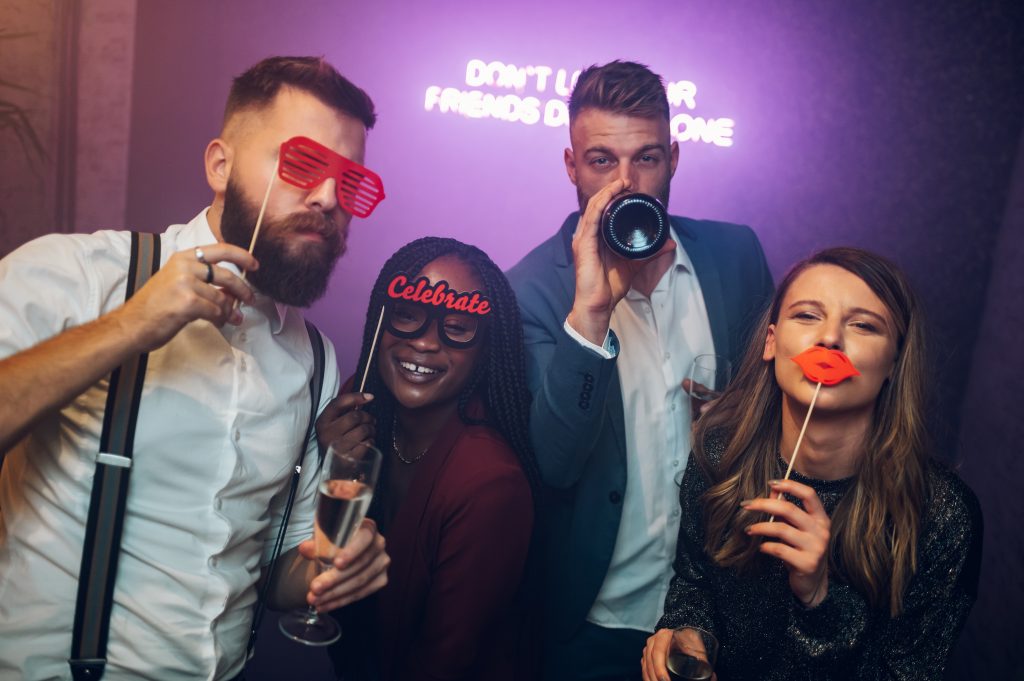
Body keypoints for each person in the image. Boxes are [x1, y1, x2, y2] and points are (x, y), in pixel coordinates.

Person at [0, 56, 389, 680]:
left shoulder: (316, 358)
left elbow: (276, 564)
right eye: (302, 165)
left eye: (350, 182)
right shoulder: (77, 275)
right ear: (220, 165)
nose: (326, 197)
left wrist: (325, 570)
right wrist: (130, 327)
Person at [506, 60, 774, 678]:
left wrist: (730, 419)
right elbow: (556, 462)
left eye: (646, 159)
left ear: (674, 158)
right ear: (571, 166)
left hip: (716, 611)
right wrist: (592, 311)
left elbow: (774, 414)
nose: (625, 182)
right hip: (593, 619)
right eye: (601, 160)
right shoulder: (531, 291)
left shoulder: (737, 256)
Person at [641, 247, 983, 681]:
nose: (830, 340)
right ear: (771, 341)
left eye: (863, 325)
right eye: (806, 316)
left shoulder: (943, 517)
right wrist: (691, 634)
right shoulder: (718, 455)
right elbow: (694, 585)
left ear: (893, 363)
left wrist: (819, 598)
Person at [318, 237, 540, 680]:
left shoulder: (490, 482)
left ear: (485, 351)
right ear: (381, 322)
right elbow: (314, 567)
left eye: (457, 327)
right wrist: (325, 462)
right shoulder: (357, 416)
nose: (423, 343)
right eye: (407, 316)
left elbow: (444, 662)